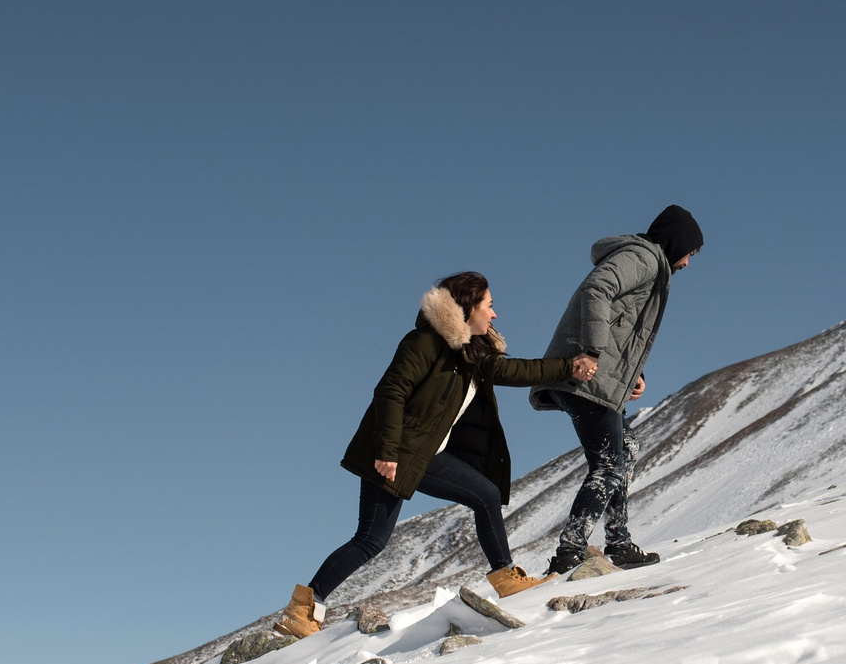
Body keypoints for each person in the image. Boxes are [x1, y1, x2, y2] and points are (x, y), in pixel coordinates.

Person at [280, 273, 599, 637]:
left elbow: (518, 370)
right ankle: (303, 608)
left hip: (426, 455)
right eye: (489, 306)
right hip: (394, 453)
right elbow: (390, 391)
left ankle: (506, 577)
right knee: (370, 539)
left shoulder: (472, 355)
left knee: (486, 495)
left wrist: (569, 366)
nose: (494, 315)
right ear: (468, 308)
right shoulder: (425, 342)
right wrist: (386, 451)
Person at [529, 205, 703, 574]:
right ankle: (570, 552)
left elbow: (625, 326)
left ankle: (619, 543)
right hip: (586, 376)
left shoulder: (649, 263)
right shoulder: (643, 257)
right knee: (608, 465)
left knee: (627, 448)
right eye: (690, 253)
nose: (688, 263)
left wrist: (634, 374)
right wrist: (591, 350)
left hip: (599, 378)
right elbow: (598, 289)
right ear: (677, 243)